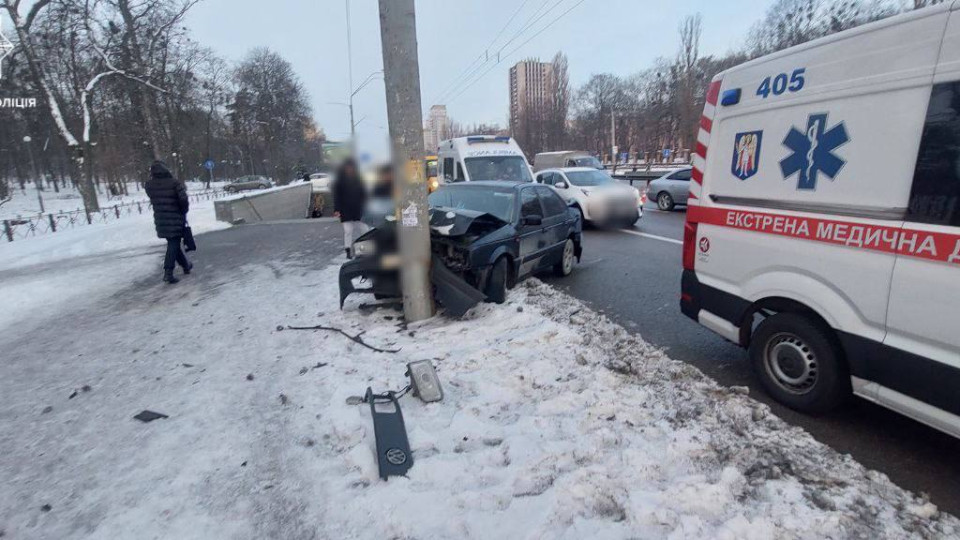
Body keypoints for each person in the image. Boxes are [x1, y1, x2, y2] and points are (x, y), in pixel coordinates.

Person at [144, 160, 192, 284]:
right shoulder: (174, 183)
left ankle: (186, 266)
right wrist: (183, 211)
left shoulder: (149, 185)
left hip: (161, 219)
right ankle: (168, 272)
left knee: (173, 243)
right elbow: (183, 200)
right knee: (173, 243)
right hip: (175, 217)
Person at [332, 158, 369, 259]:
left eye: (351, 167)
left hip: (358, 210)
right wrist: (337, 210)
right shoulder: (340, 181)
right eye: (348, 167)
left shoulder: (359, 179)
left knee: (365, 230)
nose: (350, 169)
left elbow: (364, 193)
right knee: (348, 231)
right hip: (345, 210)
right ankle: (348, 250)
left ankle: (364, 251)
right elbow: (337, 196)